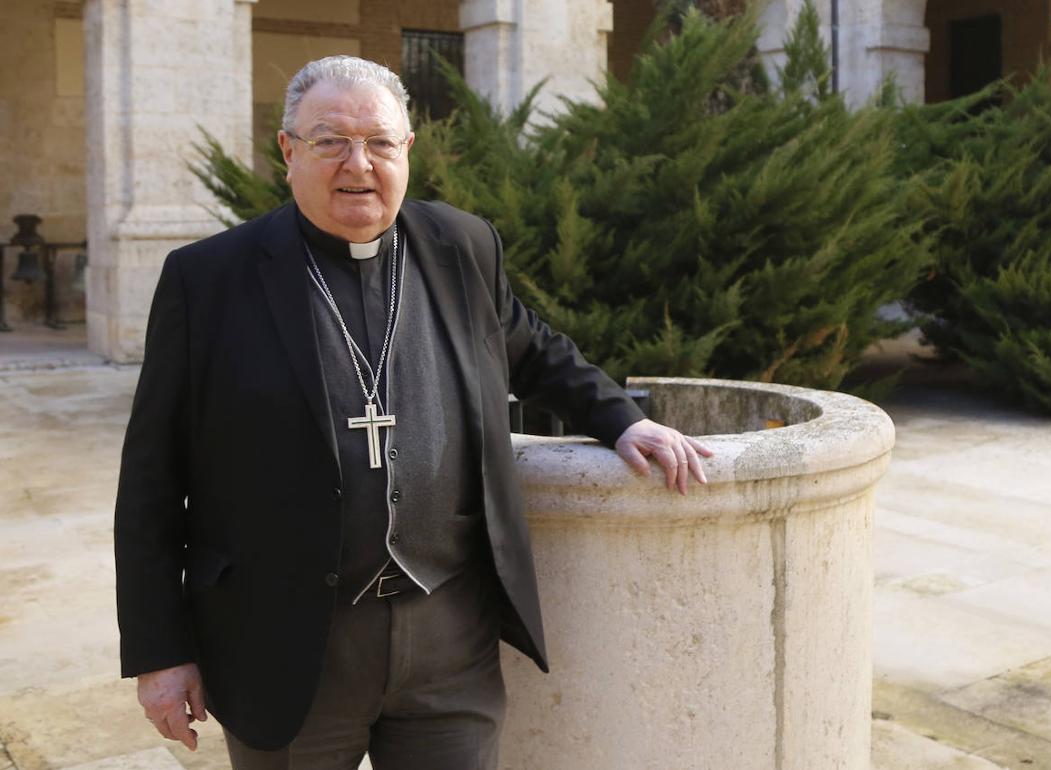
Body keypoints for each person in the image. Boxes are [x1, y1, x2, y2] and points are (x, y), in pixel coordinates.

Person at [113, 55, 711, 770]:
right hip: (286, 644)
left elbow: (534, 348)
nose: (356, 163)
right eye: (329, 139)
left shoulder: (461, 245)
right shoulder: (208, 279)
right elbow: (151, 479)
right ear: (287, 151)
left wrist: (623, 420)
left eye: (379, 142)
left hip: (449, 640)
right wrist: (161, 653)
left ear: (408, 151)